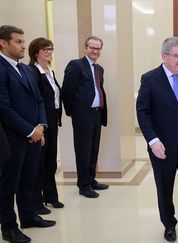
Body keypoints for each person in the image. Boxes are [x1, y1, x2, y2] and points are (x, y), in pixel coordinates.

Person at [136, 37, 178, 243]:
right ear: (164, 56)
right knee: (165, 189)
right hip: (162, 147)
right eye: (177, 56)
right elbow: (143, 112)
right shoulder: (150, 78)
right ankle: (169, 224)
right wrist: (152, 140)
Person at [0, 25, 55, 243]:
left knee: (29, 179)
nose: (24, 45)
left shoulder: (24, 69)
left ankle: (29, 216)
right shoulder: (1, 68)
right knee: (8, 185)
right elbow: (4, 107)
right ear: (3, 43)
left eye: (24, 41)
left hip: (33, 135)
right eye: (19, 42)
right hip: (11, 138)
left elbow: (39, 99)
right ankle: (9, 227)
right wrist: (30, 129)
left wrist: (40, 125)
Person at [62, 36, 109, 198]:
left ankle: (91, 180)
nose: (95, 51)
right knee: (83, 150)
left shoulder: (99, 69)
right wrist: (73, 112)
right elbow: (66, 91)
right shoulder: (76, 65)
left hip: (97, 114)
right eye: (92, 48)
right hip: (83, 115)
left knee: (93, 150)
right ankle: (83, 185)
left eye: (98, 48)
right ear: (85, 48)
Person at [28, 37, 64, 214]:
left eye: (51, 49)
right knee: (39, 164)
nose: (49, 52)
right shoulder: (32, 72)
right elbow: (34, 101)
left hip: (52, 122)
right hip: (40, 124)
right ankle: (37, 202)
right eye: (45, 50)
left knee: (51, 161)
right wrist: (38, 126)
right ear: (36, 53)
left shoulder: (50, 71)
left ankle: (51, 196)